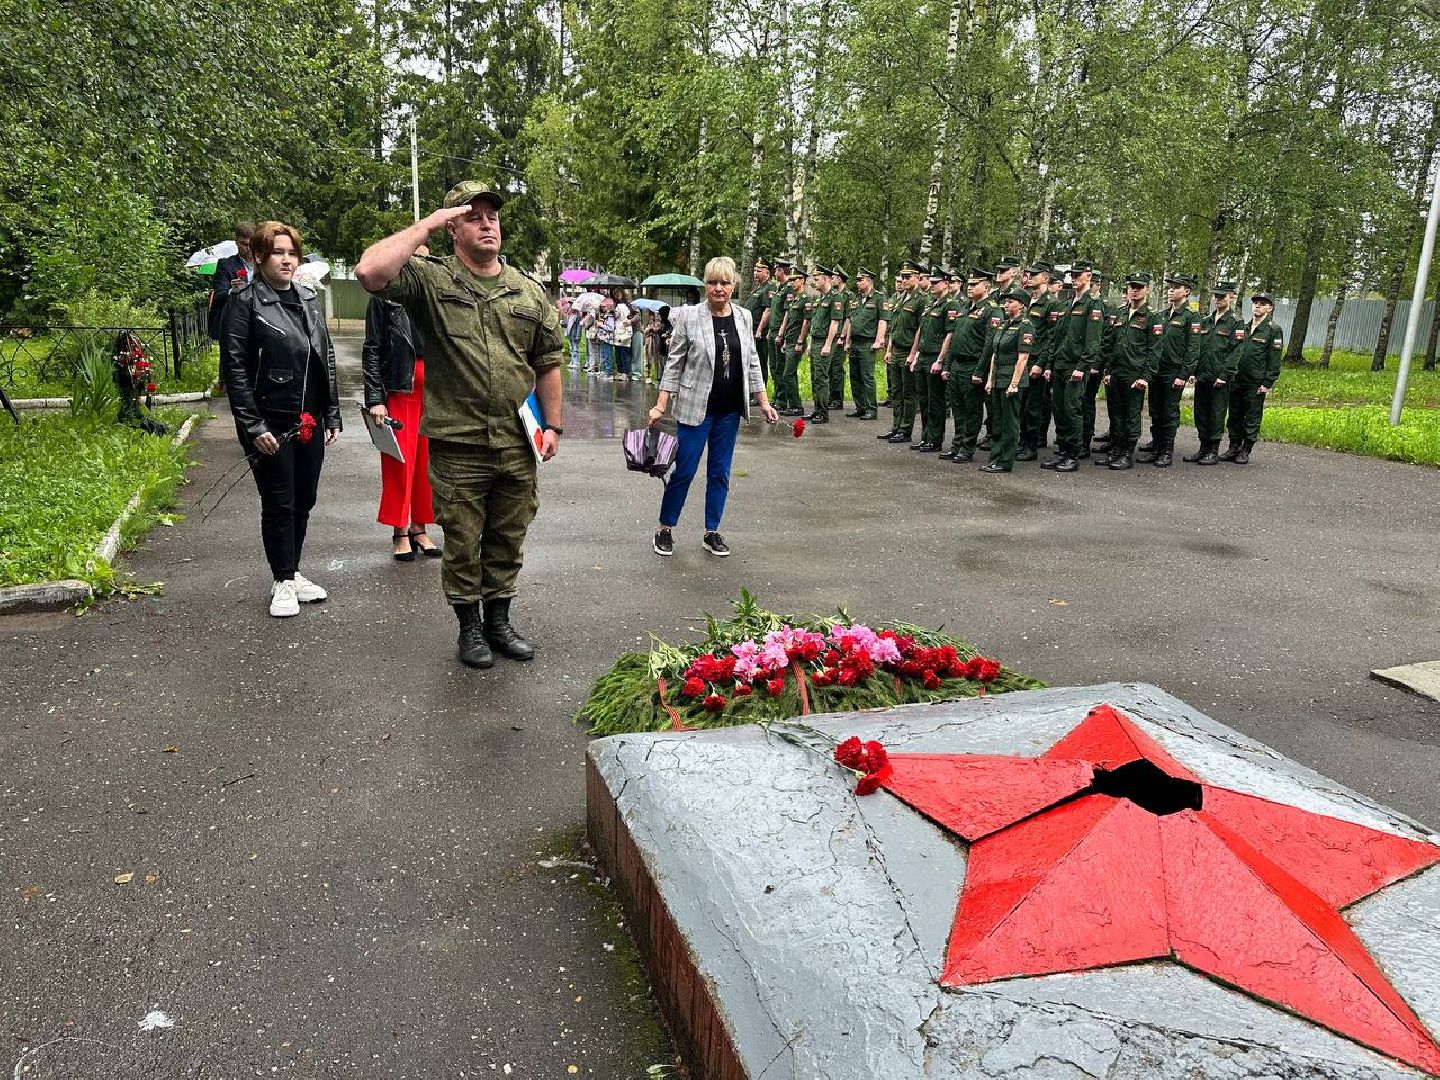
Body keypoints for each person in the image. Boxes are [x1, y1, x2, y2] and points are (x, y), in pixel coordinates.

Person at [355, 180, 564, 669]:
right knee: (463, 541)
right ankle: (469, 629)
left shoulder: (527, 291)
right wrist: (426, 223)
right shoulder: (431, 280)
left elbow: (548, 362)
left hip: (517, 441)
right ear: (453, 228)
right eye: (473, 216)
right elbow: (370, 271)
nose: (487, 223)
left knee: (508, 538)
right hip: (458, 442)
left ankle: (499, 622)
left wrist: (552, 426)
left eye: (492, 215)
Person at [220, 220, 342, 617]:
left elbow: (327, 358)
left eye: (292, 253)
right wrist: (252, 426)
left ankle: (293, 571)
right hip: (270, 421)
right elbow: (235, 369)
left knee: (304, 499)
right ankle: (282, 580)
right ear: (258, 256)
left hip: (310, 418)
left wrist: (332, 412)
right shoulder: (244, 302)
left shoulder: (308, 299)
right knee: (279, 502)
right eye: (278, 252)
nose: (287, 260)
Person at [647, 256, 779, 557]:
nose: (718, 288)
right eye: (713, 282)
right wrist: (660, 405)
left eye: (725, 282)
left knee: (720, 473)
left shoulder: (744, 317)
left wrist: (764, 403)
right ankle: (665, 528)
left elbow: (752, 362)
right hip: (696, 409)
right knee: (685, 471)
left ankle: (712, 531)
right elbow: (673, 366)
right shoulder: (690, 317)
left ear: (734, 286)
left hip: (729, 411)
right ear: (706, 284)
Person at [361, 246, 441, 562]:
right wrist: (375, 399)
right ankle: (400, 530)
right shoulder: (383, 298)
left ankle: (421, 528)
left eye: (424, 259)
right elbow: (371, 349)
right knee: (400, 463)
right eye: (412, 259)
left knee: (428, 465)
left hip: (435, 388)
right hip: (400, 387)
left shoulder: (434, 296)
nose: (418, 265)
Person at [1042, 259, 1104, 473]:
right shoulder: (1067, 304)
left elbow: (1093, 341)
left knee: (1072, 410)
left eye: (1078, 275)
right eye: (1072, 275)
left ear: (1089, 276)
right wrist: (1050, 364)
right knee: (1058, 409)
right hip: (1060, 364)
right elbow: (1057, 337)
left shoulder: (1092, 305)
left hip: (1075, 366)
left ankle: (1072, 455)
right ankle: (1062, 452)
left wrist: (1082, 366)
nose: (1074, 278)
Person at [1095, 272, 1161, 470]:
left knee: (1131, 415)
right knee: (1116, 414)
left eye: (1139, 287)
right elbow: (1109, 343)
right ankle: (1116, 449)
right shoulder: (1121, 313)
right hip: (1116, 372)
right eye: (1132, 286)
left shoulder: (1152, 316)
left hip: (1135, 374)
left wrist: (1145, 377)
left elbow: (1155, 350)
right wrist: (1106, 370)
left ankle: (1126, 454)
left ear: (1146, 289)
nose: (1134, 290)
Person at [1140, 274, 1201, 467]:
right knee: (1156, 411)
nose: (1171, 290)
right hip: (1157, 370)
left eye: (1176, 287)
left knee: (1169, 412)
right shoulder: (1163, 315)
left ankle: (1166, 450)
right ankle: (1156, 447)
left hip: (1174, 372)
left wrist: (1183, 375)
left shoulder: (1191, 316)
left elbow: (1193, 349)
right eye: (1170, 287)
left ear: (1187, 291)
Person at [977, 288, 1036, 473]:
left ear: (1022, 305)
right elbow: (995, 353)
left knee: (1010, 424)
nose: (1006, 304)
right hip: (997, 379)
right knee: (998, 421)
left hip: (1011, 380)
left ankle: (1005, 461)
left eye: (1011, 301)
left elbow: (1023, 358)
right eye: (1006, 301)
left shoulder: (1025, 326)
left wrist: (1014, 383)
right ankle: (995, 457)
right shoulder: (1003, 324)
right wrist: (990, 379)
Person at [1222, 292, 1283, 464]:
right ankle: (1233, 447)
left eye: (1262, 304)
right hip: (1237, 379)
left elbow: (1274, 359)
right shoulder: (1245, 327)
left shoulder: (1273, 330)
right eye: (1256, 303)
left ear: (1269, 308)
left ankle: (1246, 449)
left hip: (1255, 382)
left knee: (1252, 416)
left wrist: (1267, 382)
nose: (1257, 306)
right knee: (1234, 415)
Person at [1187, 280, 1244, 465]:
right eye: (1216, 296)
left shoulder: (1236, 322)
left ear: (1231, 297)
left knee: (1216, 413)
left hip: (1219, 377)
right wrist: (1194, 371)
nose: (1218, 299)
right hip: (1203, 375)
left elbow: (1235, 352)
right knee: (1201, 413)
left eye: (1222, 296)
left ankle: (1213, 449)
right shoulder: (1206, 321)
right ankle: (1203, 447)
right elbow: (1198, 348)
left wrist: (1224, 375)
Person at [842, 267, 884, 420]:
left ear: (870, 281)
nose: (858, 283)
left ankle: (871, 409)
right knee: (854, 376)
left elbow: (882, 321)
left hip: (868, 343)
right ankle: (860, 407)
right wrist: (847, 341)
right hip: (855, 342)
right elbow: (852, 321)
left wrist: (878, 341)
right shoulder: (856, 300)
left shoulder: (879, 298)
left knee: (867, 377)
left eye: (861, 280)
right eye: (857, 280)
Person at [208, 222, 255, 340]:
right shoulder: (226, 264)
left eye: (252, 244)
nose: (248, 249)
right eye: (244, 244)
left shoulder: (265, 264)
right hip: (234, 325)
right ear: (236, 242)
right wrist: (232, 290)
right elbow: (218, 296)